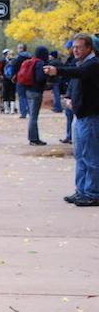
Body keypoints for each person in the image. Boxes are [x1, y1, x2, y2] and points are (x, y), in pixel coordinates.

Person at [44, 33, 99, 206]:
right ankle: (81, 190)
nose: (75, 50)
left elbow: (79, 73)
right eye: (74, 47)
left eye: (79, 47)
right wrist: (69, 97)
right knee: (80, 156)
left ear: (89, 48)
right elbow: (76, 80)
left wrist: (57, 70)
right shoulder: (81, 64)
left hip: (91, 117)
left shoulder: (93, 64)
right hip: (80, 116)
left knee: (91, 157)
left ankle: (93, 193)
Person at [24, 46, 49, 145]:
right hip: (36, 92)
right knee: (34, 116)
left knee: (32, 115)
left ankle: (34, 137)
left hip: (28, 90)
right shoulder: (40, 64)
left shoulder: (32, 61)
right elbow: (40, 78)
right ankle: (33, 139)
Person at [60, 40, 76, 144]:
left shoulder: (75, 61)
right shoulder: (69, 60)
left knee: (72, 115)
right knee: (68, 114)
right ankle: (69, 135)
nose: (68, 50)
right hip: (68, 90)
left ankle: (72, 136)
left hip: (73, 90)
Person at [14, 43, 32, 118]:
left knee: (21, 96)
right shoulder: (31, 57)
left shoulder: (18, 57)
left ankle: (23, 113)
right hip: (30, 79)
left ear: (21, 49)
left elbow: (14, 67)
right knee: (29, 96)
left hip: (20, 78)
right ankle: (30, 111)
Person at [0, 49, 17, 115]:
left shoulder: (3, 61)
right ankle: (12, 110)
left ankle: (6, 109)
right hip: (13, 79)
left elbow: (1, 70)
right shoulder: (15, 61)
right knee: (12, 93)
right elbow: (17, 70)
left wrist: (1, 76)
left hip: (5, 79)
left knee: (5, 93)